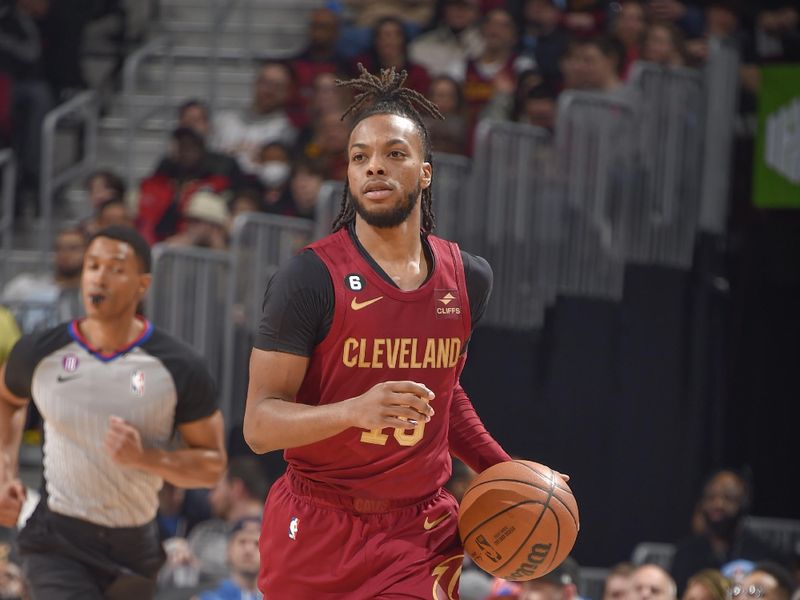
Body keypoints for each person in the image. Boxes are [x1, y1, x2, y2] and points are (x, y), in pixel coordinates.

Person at [243, 65, 522, 596]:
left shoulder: (468, 278)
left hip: (419, 532)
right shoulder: (308, 277)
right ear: (348, 175)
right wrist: (355, 411)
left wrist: (504, 471)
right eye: (359, 157)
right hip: (318, 522)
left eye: (394, 153)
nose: (375, 167)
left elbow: (444, 393)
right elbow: (259, 425)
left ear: (425, 172)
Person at [0, 226, 227, 599]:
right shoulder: (40, 351)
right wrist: (5, 471)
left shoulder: (179, 366)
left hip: (134, 542)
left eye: (115, 268)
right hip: (57, 537)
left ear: (142, 285)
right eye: (93, 265)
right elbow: (8, 399)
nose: (100, 277)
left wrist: (146, 458)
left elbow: (212, 464)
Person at [671, 470, 788, 595]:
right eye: (711, 497)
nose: (718, 504)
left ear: (743, 504)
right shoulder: (685, 553)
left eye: (728, 497)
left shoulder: (763, 554)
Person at [187, 456, 269, 580]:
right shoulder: (204, 535)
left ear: (236, 488)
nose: (210, 498)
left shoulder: (281, 533)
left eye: (216, 489)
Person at [196, 517, 263, 600]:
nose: (248, 550)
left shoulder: (275, 595)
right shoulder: (209, 594)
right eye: (242, 542)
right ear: (229, 550)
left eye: (257, 544)